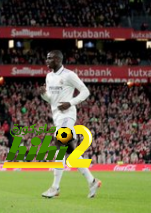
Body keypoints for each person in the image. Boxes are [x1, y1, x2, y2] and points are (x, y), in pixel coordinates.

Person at [38, 50, 101, 199]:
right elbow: (52, 99)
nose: (47, 60)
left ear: (59, 59)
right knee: (70, 154)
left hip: (68, 116)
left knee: (58, 145)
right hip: (57, 117)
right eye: (46, 58)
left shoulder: (69, 75)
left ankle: (55, 187)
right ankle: (92, 181)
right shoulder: (49, 76)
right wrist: (43, 95)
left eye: (50, 58)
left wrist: (70, 103)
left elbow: (85, 91)